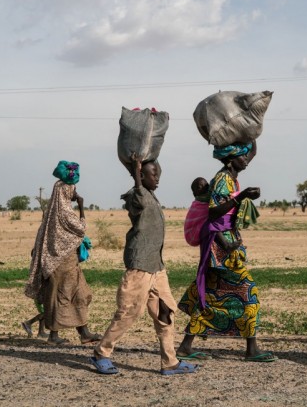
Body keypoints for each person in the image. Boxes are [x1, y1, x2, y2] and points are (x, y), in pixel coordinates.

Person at [91, 159, 198, 375]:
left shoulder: (152, 196)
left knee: (166, 313)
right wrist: (137, 174)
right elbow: (138, 194)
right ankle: (101, 353)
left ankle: (170, 362)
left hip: (157, 268)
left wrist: (146, 168)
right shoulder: (136, 195)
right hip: (139, 267)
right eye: (152, 174)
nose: (157, 177)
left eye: (158, 173)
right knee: (129, 313)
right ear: (141, 175)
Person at [176, 141, 275, 362]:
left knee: (210, 296)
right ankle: (251, 349)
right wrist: (240, 197)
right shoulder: (222, 180)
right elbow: (213, 213)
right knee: (250, 294)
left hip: (222, 247)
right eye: (242, 157)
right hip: (221, 249)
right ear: (231, 160)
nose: (246, 160)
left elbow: (252, 151)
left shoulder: (230, 178)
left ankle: (185, 346)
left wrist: (252, 135)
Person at [24, 161, 100, 345]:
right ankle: (54, 336)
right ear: (66, 191)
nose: (76, 193)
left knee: (79, 294)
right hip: (60, 264)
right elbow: (81, 229)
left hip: (65, 264)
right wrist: (81, 206)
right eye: (74, 190)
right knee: (60, 298)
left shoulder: (53, 213)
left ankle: (84, 332)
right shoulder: (65, 213)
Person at [183, 177, 210, 247]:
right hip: (192, 234)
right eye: (200, 187)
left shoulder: (209, 199)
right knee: (213, 224)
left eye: (206, 186)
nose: (205, 188)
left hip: (203, 234)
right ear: (194, 193)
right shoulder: (199, 203)